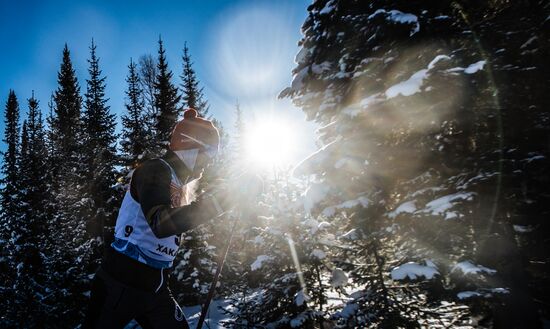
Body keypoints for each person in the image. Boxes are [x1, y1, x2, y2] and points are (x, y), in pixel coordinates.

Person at [84, 109, 227, 329]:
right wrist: (219, 204)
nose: (209, 162)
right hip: (120, 282)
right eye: (209, 153)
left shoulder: (178, 182)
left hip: (155, 286)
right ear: (190, 145)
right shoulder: (155, 170)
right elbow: (160, 223)